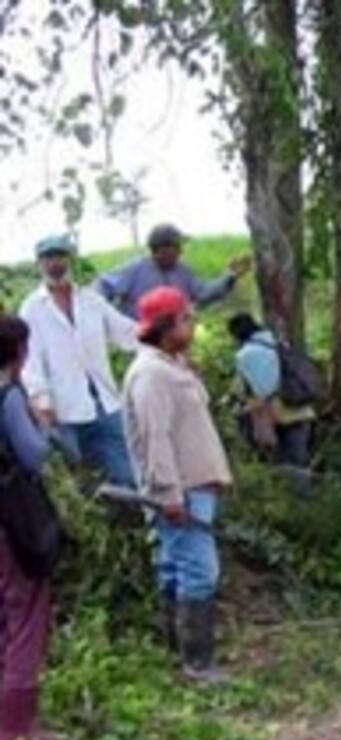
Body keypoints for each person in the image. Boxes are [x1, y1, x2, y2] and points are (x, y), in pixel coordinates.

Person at [123, 287, 234, 683]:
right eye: (186, 318)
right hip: (182, 489)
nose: (193, 324)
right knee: (199, 571)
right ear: (167, 326)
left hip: (193, 486)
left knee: (175, 568)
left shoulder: (170, 367)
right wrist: (169, 494)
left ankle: (177, 655)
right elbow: (156, 438)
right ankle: (197, 663)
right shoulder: (152, 375)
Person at [19, 233, 138, 487]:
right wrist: (42, 401)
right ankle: (100, 524)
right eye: (48, 257)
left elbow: (125, 331)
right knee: (77, 478)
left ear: (69, 259)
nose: (55, 263)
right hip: (63, 409)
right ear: (39, 263)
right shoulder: (32, 309)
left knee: (126, 471)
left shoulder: (91, 301)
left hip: (104, 401)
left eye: (59, 256)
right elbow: (31, 362)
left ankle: (135, 521)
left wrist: (161, 339)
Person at [0, 315, 58, 740]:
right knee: (26, 609)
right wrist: (45, 425)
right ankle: (16, 724)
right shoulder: (8, 396)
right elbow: (35, 455)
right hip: (11, 518)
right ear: (19, 353)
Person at [98, 223, 252, 318]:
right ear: (160, 249)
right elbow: (103, 285)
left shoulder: (183, 272)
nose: (180, 251)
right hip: (140, 343)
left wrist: (230, 276)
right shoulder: (135, 270)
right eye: (176, 246)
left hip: (172, 344)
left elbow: (204, 293)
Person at [227, 313, 316, 476]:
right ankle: (306, 499)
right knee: (299, 465)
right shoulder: (278, 342)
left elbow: (262, 389)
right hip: (301, 410)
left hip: (276, 416)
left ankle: (288, 499)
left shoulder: (247, 354)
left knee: (279, 468)